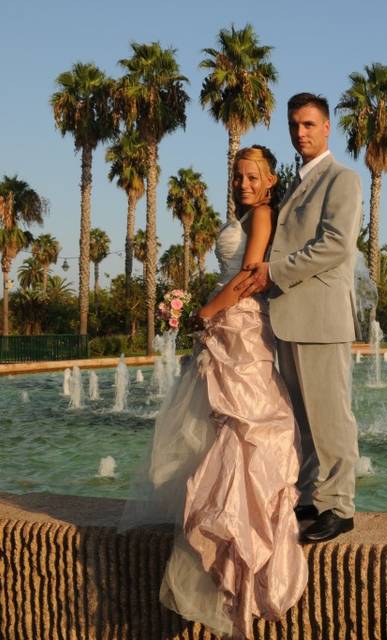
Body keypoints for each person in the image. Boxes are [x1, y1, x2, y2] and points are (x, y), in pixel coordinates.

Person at [121, 146, 307, 639]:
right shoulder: (248, 214)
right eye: (239, 175)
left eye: (253, 176)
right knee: (219, 426)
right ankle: (221, 527)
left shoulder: (263, 214)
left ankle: (236, 540)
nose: (244, 183)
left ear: (270, 182)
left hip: (240, 326)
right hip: (227, 327)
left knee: (244, 425)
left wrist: (203, 312)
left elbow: (248, 277)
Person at [236, 93, 363, 544]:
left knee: (331, 416)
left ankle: (340, 506)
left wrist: (274, 272)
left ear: (327, 128)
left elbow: (335, 245)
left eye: (309, 125)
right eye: (294, 125)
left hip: (321, 317)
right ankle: (312, 494)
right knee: (304, 419)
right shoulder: (295, 182)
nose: (300, 133)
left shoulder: (342, 180)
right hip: (289, 316)